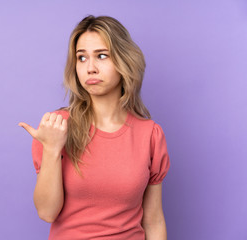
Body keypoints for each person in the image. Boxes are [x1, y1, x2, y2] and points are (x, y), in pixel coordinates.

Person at [18, 15, 171, 240]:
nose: (90, 68)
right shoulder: (56, 126)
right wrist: (51, 149)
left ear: (124, 60)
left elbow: (154, 219)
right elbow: (47, 212)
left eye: (101, 56)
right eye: (81, 58)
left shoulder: (149, 134)